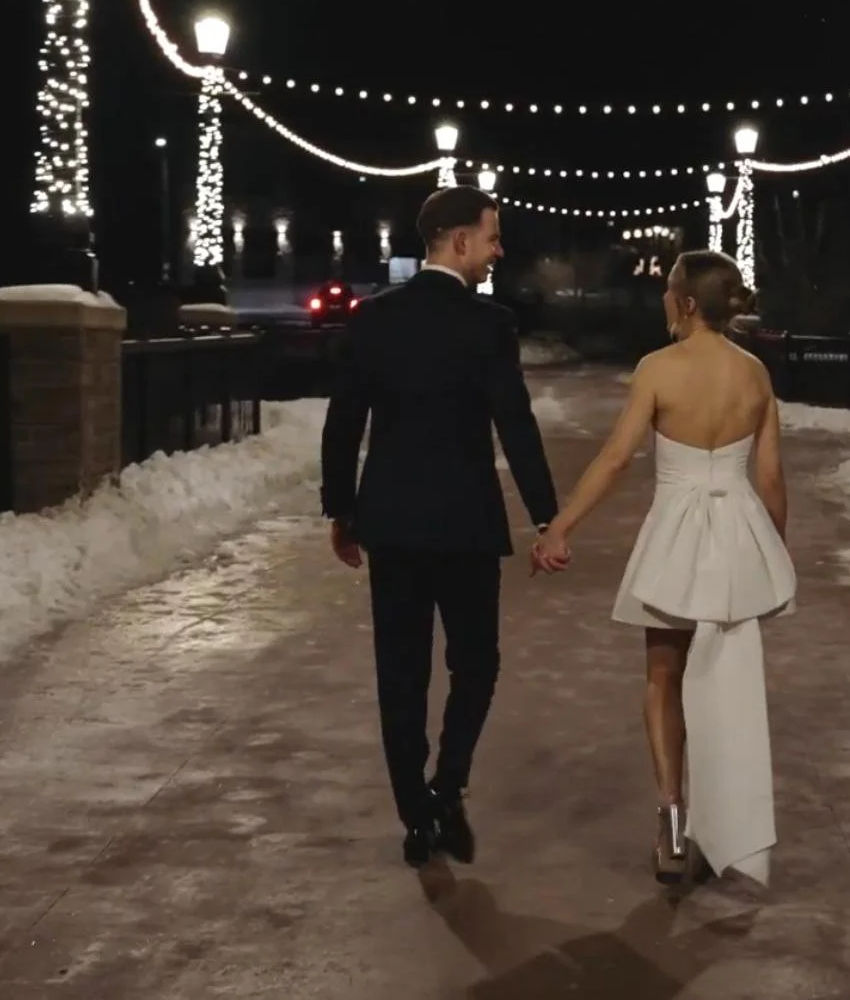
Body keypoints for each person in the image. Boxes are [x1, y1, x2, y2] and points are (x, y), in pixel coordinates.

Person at [532, 250, 794, 885]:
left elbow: (617, 457)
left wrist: (560, 526)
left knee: (663, 676)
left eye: (668, 289)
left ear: (686, 303)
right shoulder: (755, 374)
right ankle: (725, 817)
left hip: (676, 536)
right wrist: (771, 550)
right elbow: (769, 476)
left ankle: (673, 820)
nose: (663, 298)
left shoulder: (657, 368)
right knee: (724, 681)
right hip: (736, 535)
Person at [320, 186, 560, 868]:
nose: (499, 249)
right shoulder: (490, 325)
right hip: (465, 525)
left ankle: (415, 817)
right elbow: (515, 424)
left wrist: (341, 510)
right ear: (459, 242)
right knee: (475, 664)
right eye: (492, 236)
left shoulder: (372, 320)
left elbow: (344, 425)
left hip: (391, 523)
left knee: (399, 674)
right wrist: (547, 515)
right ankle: (448, 784)